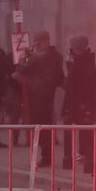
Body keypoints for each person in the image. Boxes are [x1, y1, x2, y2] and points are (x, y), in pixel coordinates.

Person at [16, 29, 64, 167]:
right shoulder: (57, 56)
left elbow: (22, 68)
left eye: (36, 41)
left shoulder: (38, 58)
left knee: (39, 126)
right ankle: (47, 155)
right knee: (47, 124)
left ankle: (45, 157)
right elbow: (59, 75)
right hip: (49, 93)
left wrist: (23, 56)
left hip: (37, 93)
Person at [62, 35, 96, 171]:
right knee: (80, 127)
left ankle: (85, 154)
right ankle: (82, 154)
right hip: (76, 101)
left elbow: (80, 82)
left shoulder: (85, 62)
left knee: (85, 128)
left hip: (81, 102)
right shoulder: (79, 60)